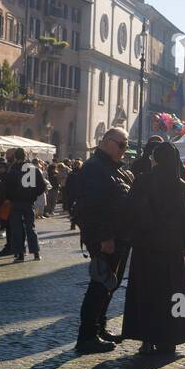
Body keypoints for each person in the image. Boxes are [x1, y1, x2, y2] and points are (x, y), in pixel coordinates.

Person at [123, 142, 185, 354]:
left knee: (146, 293)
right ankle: (173, 335)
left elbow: (130, 210)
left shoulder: (144, 181)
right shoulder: (180, 185)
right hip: (171, 249)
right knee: (174, 294)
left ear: (156, 159)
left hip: (145, 247)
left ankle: (146, 338)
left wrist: (133, 236)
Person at [72, 127, 134, 354]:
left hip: (119, 236)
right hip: (106, 238)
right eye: (122, 145)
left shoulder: (112, 168)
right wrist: (104, 237)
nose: (124, 150)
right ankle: (87, 336)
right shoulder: (94, 169)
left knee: (109, 285)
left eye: (126, 145)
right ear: (107, 142)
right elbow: (93, 208)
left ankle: (99, 327)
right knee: (99, 285)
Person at [2, 148, 46, 261]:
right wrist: (34, 195)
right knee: (30, 227)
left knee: (17, 229)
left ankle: (20, 254)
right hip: (28, 202)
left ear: (15, 157)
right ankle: (36, 253)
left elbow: (7, 187)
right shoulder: (32, 169)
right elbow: (41, 186)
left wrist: (9, 198)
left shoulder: (13, 169)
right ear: (25, 156)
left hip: (16, 202)